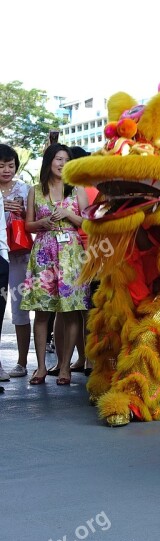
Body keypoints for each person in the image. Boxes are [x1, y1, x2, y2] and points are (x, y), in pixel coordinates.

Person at [21, 143, 90, 385]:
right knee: (42, 312)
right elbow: (28, 225)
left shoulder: (77, 189)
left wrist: (68, 215)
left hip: (71, 254)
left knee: (71, 312)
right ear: (49, 161)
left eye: (66, 159)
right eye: (58, 159)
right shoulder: (34, 190)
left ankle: (64, 368)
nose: (62, 163)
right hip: (43, 252)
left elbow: (87, 223)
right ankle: (40, 367)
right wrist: (42, 223)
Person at [0, 144, 32, 380]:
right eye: (1, 165)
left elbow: (33, 219)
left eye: (10, 165)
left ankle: (21, 362)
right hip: (0, 252)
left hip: (19, 255)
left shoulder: (25, 189)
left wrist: (21, 213)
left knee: (20, 307)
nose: (6, 170)